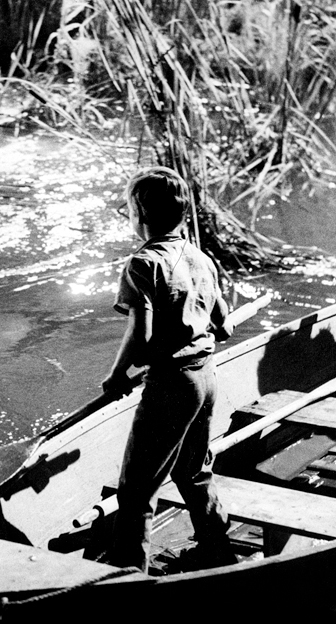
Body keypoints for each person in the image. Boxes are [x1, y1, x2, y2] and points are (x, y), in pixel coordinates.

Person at [101, 166, 238, 574]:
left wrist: (116, 375)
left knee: (137, 489)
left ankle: (127, 575)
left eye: (128, 209)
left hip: (172, 384)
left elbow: (139, 332)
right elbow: (225, 325)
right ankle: (217, 548)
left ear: (140, 213)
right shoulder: (201, 258)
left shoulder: (143, 264)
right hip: (205, 378)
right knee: (195, 471)